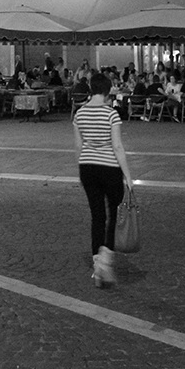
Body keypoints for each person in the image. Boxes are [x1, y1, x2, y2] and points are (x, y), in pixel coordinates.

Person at [72, 70, 133, 288]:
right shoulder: (111, 114)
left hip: (87, 167)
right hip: (109, 167)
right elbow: (117, 146)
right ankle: (105, 260)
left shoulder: (79, 114)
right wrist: (128, 175)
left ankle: (97, 262)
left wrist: (80, 167)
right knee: (114, 214)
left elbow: (78, 146)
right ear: (107, 91)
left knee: (97, 215)